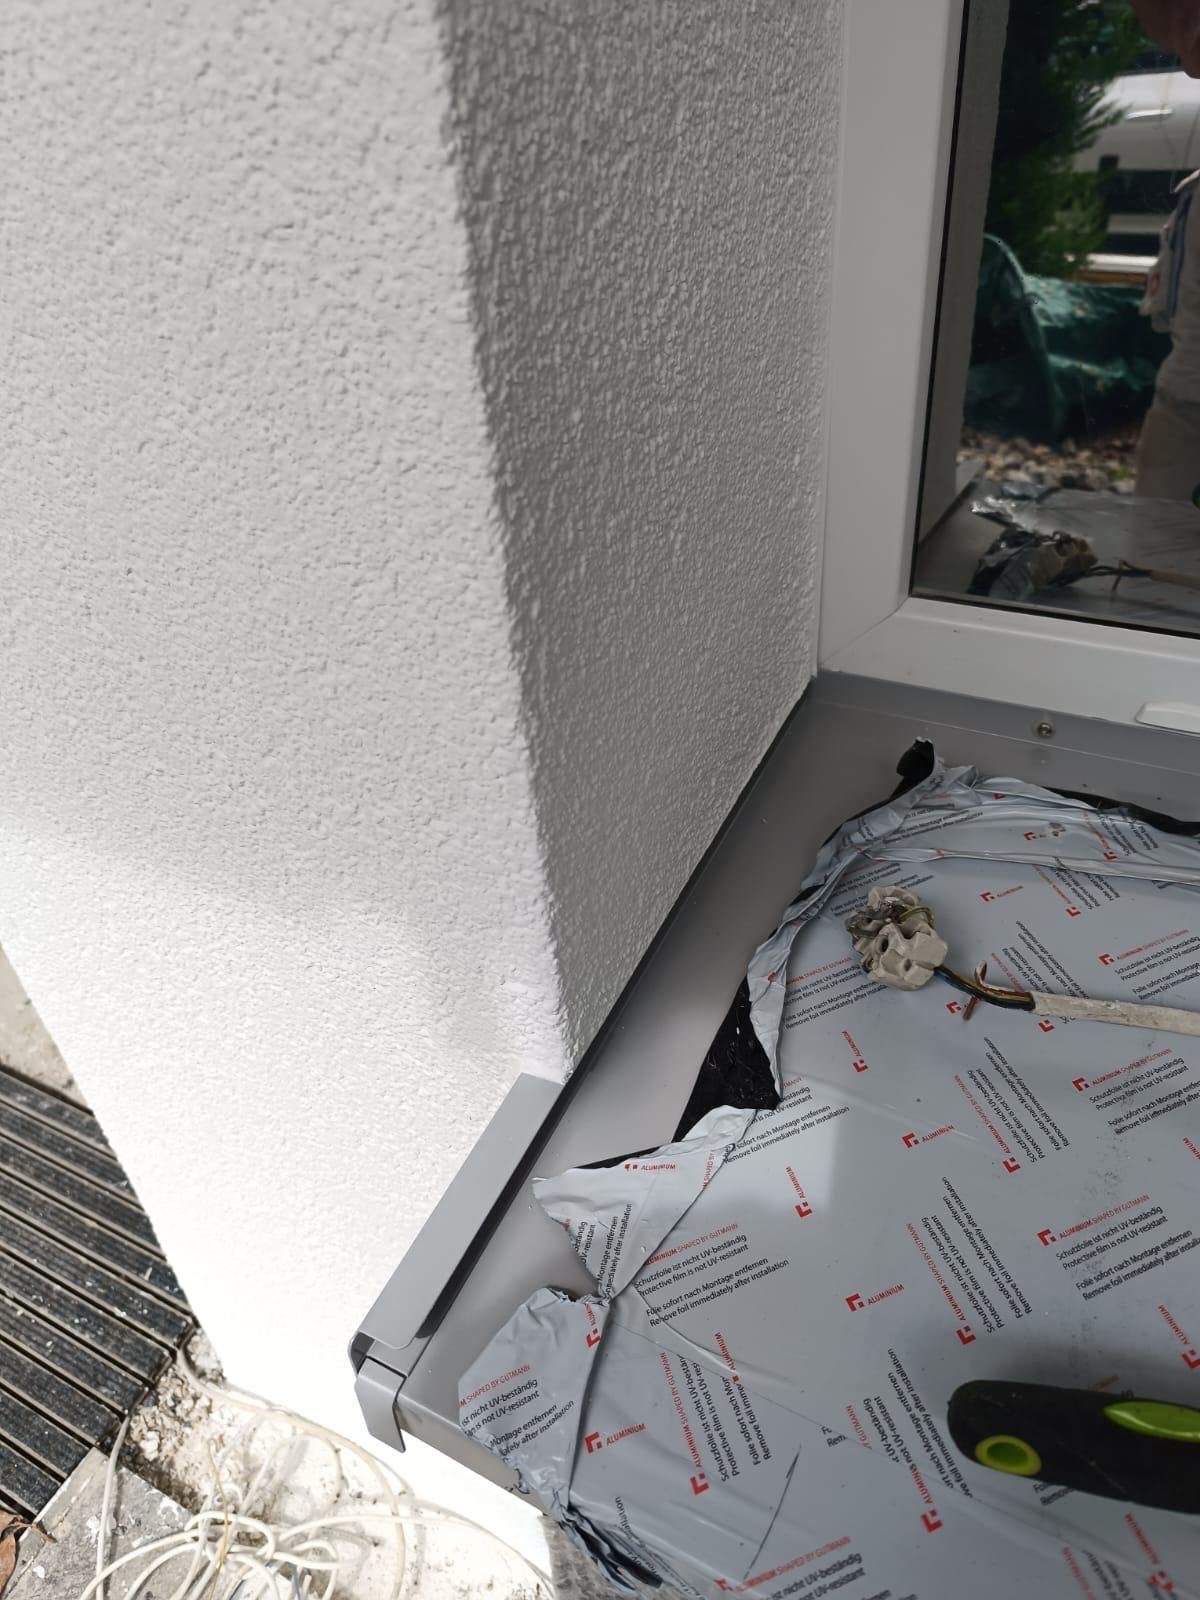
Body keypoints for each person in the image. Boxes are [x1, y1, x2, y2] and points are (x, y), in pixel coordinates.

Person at [1137, 169, 1200, 499]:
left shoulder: (1194, 194)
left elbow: (1164, 314)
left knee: (1159, 522)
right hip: (1185, 402)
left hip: (1184, 401)